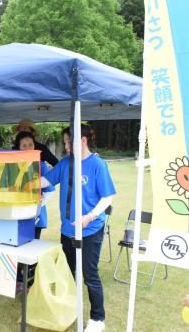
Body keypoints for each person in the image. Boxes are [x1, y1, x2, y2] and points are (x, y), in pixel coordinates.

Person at [41, 124, 115, 332]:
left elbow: (107, 197)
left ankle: (97, 319)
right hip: (67, 230)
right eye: (64, 141)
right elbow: (46, 180)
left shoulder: (97, 165)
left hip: (90, 230)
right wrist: (22, 182)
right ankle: (70, 308)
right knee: (69, 272)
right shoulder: (65, 163)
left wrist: (89, 217)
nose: (65, 146)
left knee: (89, 274)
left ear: (82, 140)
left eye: (67, 141)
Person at [12, 131, 54, 239]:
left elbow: (50, 191)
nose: (28, 148)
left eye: (30, 145)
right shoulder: (11, 166)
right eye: (24, 145)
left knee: (32, 249)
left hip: (36, 216)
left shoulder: (42, 166)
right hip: (16, 213)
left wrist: (36, 207)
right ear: (18, 148)